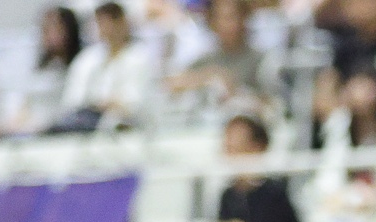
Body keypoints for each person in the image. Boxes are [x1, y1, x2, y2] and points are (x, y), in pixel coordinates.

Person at [59, 1, 156, 131]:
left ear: (123, 23)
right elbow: (73, 99)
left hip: (125, 124)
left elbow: (135, 103)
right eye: (102, 23)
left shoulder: (139, 57)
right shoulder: (88, 58)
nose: (107, 28)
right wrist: (95, 105)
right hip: (86, 120)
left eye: (112, 22)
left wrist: (108, 105)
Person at [167, 0, 277, 113]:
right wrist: (211, 75)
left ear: (244, 18)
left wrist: (236, 92)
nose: (226, 24)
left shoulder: (260, 60)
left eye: (231, 17)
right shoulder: (207, 59)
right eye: (220, 18)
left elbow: (271, 104)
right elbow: (171, 84)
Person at [211, 113, 301, 222]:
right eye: (228, 148)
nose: (230, 155)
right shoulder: (228, 196)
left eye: (237, 148)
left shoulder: (274, 194)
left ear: (257, 147)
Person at [15, 7, 83, 133]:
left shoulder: (82, 64)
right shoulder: (41, 67)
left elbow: (72, 107)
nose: (47, 34)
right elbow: (25, 104)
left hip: (61, 129)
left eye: (54, 28)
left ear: (69, 30)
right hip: (30, 129)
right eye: (44, 29)